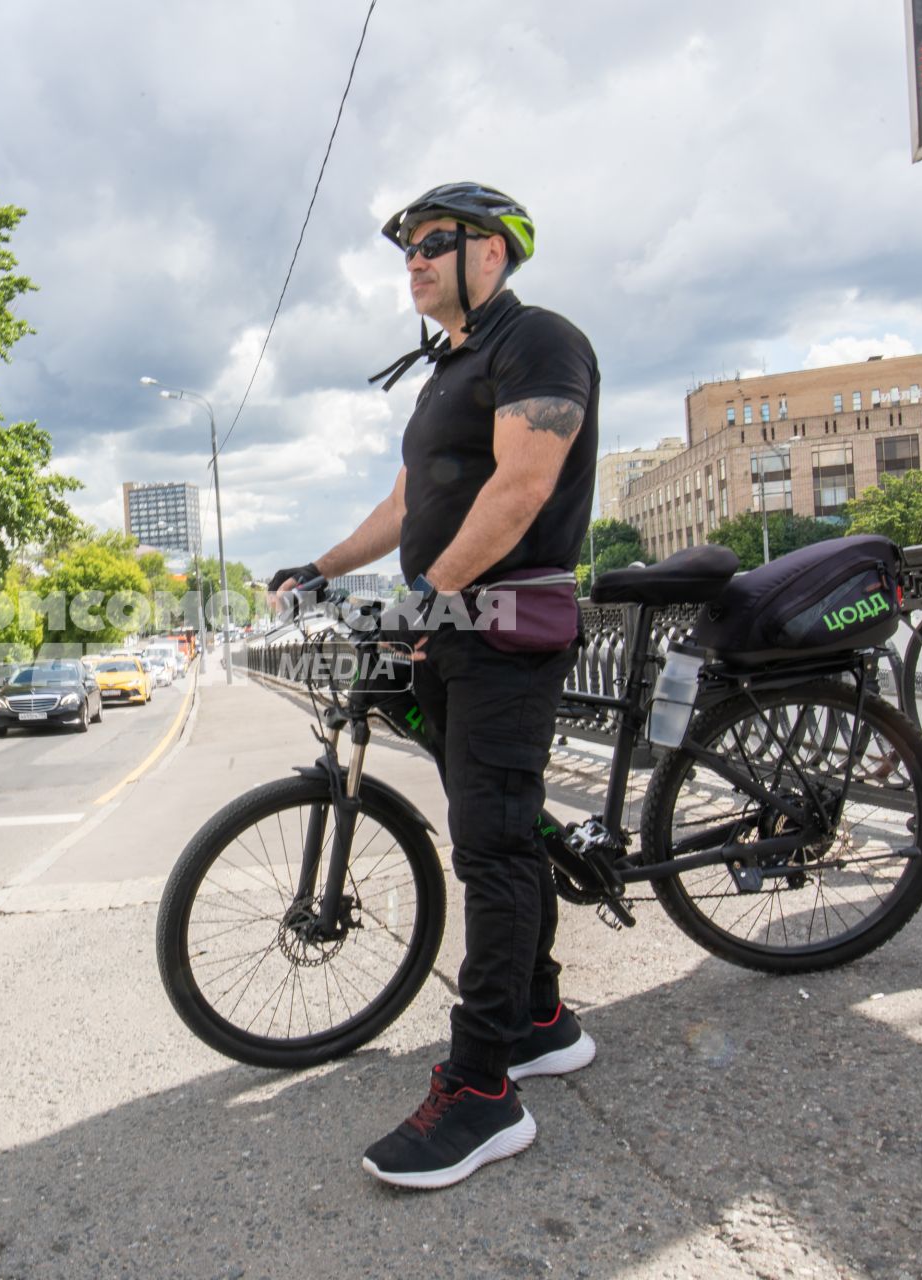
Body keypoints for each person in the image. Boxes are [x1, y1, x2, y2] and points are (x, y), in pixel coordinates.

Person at [268, 182, 600, 1191]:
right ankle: (540, 1017)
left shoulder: (538, 341)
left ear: (490, 252)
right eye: (406, 247)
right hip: (454, 628)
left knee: (494, 843)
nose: (410, 260)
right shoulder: (447, 370)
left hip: (506, 623)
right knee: (498, 824)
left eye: (431, 243)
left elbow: (522, 487)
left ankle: (485, 1088)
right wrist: (322, 567)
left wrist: (433, 590)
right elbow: (409, 500)